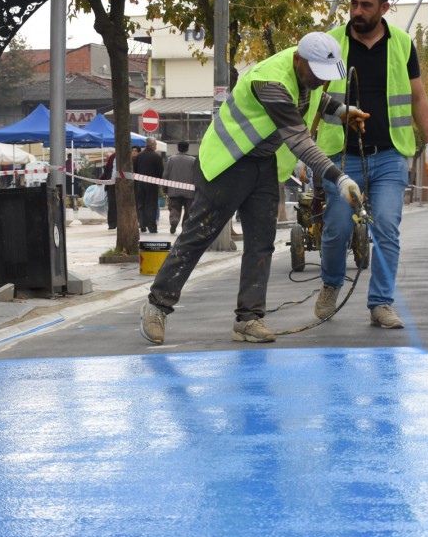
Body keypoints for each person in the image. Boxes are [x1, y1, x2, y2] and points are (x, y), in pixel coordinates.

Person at [140, 31, 369, 345]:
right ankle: (157, 306)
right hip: (228, 160)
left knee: (262, 242)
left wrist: (341, 110)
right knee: (199, 235)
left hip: (262, 162)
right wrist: (338, 177)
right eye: (317, 75)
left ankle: (248, 319)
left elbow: (314, 96)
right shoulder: (271, 82)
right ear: (299, 60)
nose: (320, 82)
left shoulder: (307, 72)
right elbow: (300, 140)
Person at [313, 0, 428, 329]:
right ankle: (330, 285)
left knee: (386, 226)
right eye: (353, 3)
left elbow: (418, 96)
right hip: (340, 156)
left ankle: (381, 303)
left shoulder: (401, 44)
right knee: (337, 227)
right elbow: (310, 96)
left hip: (388, 155)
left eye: (366, 5)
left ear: (384, 7)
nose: (357, 11)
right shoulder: (332, 43)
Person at [163, 141, 196, 234]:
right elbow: (197, 176)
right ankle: (185, 227)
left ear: (178, 148)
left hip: (173, 190)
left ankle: (174, 220)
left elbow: (165, 174)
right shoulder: (193, 160)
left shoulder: (171, 159)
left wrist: (165, 188)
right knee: (189, 210)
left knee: (174, 208)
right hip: (190, 191)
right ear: (187, 148)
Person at [133, 136, 164, 233]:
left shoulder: (138, 156)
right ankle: (152, 227)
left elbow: (135, 170)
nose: (156, 146)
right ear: (152, 145)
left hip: (140, 184)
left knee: (141, 204)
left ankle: (142, 225)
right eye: (155, 144)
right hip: (152, 184)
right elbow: (160, 172)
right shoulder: (156, 157)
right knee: (151, 205)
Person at [101, 151, 118, 229]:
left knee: (115, 204)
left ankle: (116, 222)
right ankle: (112, 223)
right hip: (111, 184)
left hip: (122, 185)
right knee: (112, 204)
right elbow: (107, 170)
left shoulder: (126, 156)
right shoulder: (112, 157)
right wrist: (101, 180)